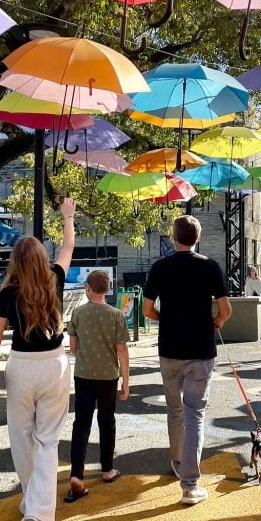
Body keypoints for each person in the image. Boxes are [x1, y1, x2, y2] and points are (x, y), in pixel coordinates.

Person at [0, 197, 76, 521]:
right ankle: (38, 509)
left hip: (21, 366)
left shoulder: (7, 293)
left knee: (21, 438)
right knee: (48, 441)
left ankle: (30, 500)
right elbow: (68, 246)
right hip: (54, 364)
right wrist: (67, 216)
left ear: (16, 262)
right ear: (41, 258)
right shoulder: (54, 280)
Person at [143, 215, 231, 505]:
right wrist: (217, 321)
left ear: (174, 238)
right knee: (195, 414)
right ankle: (190, 485)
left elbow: (147, 310)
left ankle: (177, 461)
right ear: (199, 238)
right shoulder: (210, 266)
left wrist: (165, 318)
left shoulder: (160, 267)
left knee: (175, 410)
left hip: (169, 350)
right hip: (200, 351)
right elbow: (225, 310)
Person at [65, 269, 130, 502]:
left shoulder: (78, 313)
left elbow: (73, 347)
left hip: (83, 375)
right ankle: (107, 469)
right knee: (107, 420)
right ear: (108, 289)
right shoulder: (116, 315)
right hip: (108, 376)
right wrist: (126, 380)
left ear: (88, 288)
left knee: (81, 423)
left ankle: (77, 474)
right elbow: (122, 350)